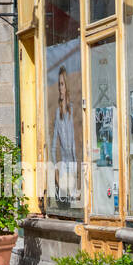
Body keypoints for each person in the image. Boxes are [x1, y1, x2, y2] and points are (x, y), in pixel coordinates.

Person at [51, 66, 77, 205]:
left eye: (62, 84)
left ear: (67, 86)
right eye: (59, 84)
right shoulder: (57, 112)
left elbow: (78, 141)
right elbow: (53, 145)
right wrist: (55, 169)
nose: (60, 88)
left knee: (76, 204)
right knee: (67, 205)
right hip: (64, 165)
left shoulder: (74, 110)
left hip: (75, 165)